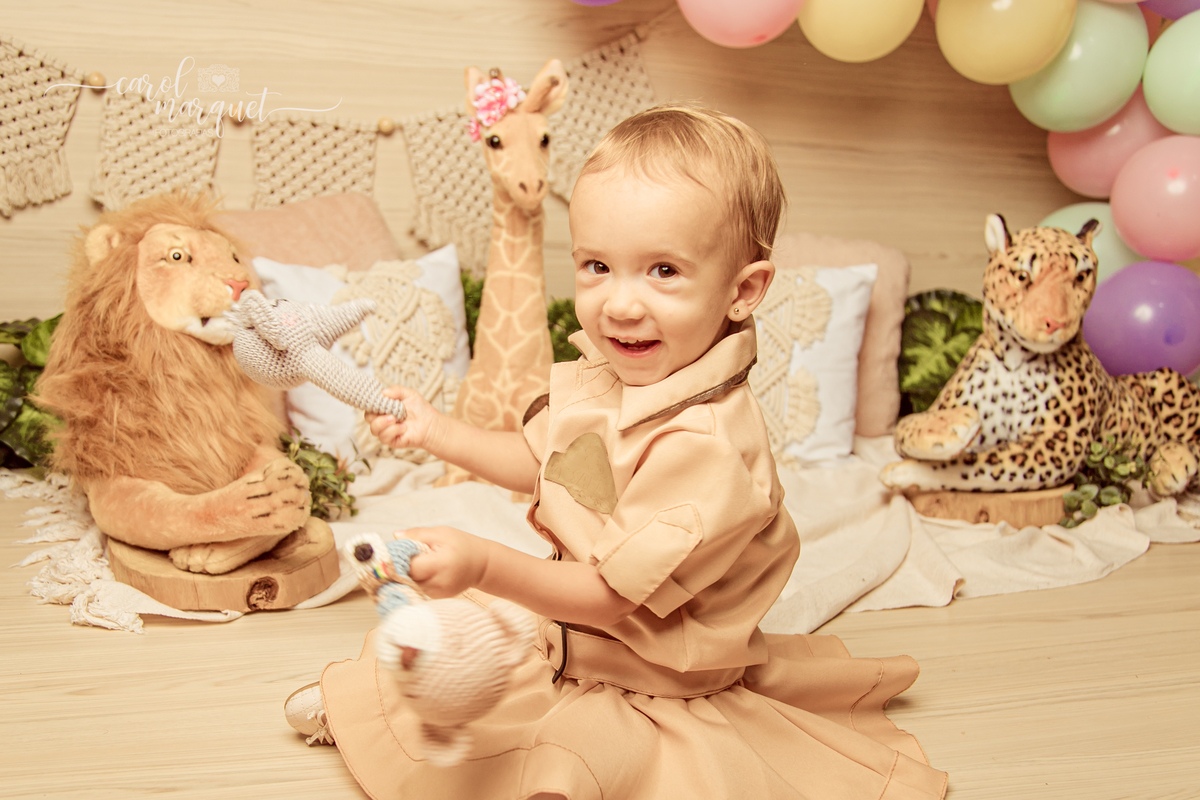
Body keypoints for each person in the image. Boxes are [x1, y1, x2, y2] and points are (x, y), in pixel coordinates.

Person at [286, 104, 948, 800]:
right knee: (450, 654)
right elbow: (549, 469)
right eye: (598, 266)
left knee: (576, 752)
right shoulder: (611, 375)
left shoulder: (708, 452)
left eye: (663, 271)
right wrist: (436, 432)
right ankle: (389, 709)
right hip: (566, 633)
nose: (620, 305)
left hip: (651, 673)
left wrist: (482, 561)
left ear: (743, 291)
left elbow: (606, 599)